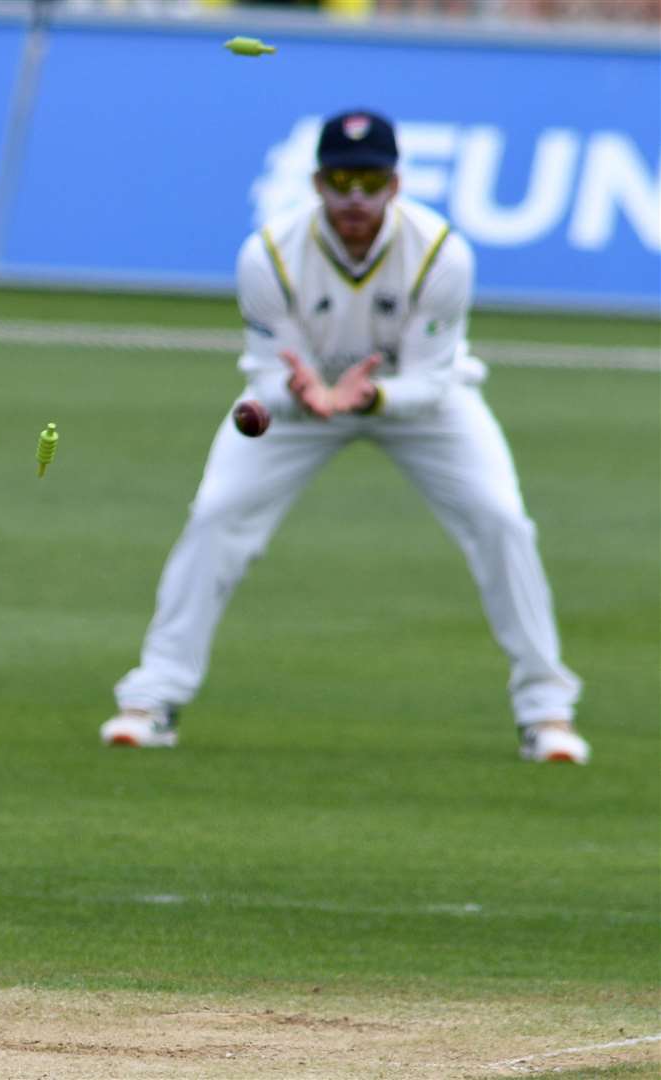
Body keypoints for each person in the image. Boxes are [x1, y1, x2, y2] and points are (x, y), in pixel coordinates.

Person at [100, 109, 589, 765]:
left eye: (368, 180)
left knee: (501, 520)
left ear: (394, 183)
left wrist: (371, 395)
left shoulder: (441, 254)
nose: (353, 198)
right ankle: (149, 700)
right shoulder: (268, 254)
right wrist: (297, 393)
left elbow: (432, 381)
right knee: (215, 515)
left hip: (415, 404)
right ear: (315, 182)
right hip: (302, 408)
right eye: (339, 180)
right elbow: (267, 375)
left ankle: (546, 713)